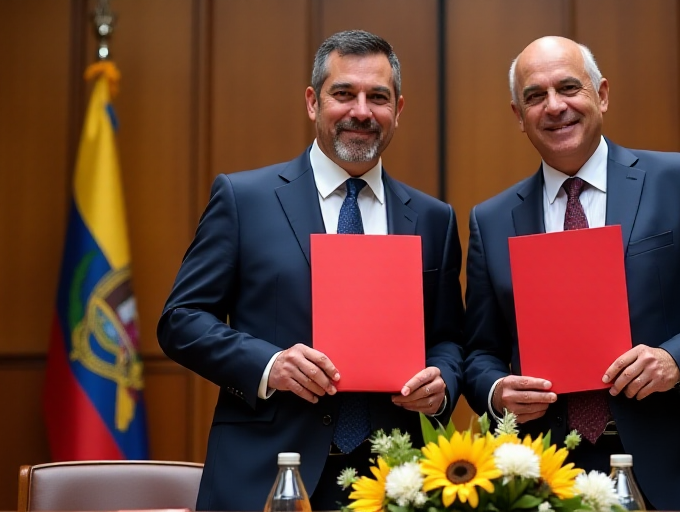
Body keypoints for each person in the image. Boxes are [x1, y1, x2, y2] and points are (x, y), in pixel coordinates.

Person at [462, 36, 680, 511]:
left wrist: (676, 360)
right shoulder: (492, 219)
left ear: (601, 95)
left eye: (569, 87)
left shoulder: (677, 180)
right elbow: (481, 350)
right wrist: (497, 390)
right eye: (535, 96)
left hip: (671, 465)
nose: (554, 106)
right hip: (547, 473)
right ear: (518, 117)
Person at [158, 30, 464, 511]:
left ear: (398, 110)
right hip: (269, 473)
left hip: (397, 481)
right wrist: (269, 365)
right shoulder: (244, 200)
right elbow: (181, 320)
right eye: (343, 94)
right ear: (312, 102)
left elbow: (449, 337)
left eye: (377, 97)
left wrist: (442, 381)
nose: (361, 111)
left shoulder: (433, 218)